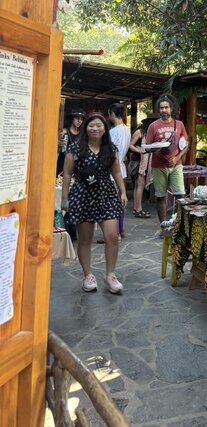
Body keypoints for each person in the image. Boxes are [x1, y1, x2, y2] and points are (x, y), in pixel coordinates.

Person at [61, 112, 128, 294]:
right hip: (83, 195)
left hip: (106, 195)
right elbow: (67, 174)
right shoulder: (75, 148)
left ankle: (110, 275)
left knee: (112, 236)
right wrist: (65, 199)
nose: (95, 128)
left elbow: (116, 172)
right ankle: (88, 275)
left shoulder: (110, 148)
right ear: (86, 128)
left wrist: (123, 191)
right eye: (91, 125)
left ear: (105, 128)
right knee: (85, 239)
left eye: (99, 125)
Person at [145, 95, 189, 227]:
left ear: (171, 109)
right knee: (160, 197)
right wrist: (156, 148)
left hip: (176, 165)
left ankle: (180, 226)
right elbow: (147, 147)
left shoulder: (179, 124)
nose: (164, 110)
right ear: (158, 110)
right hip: (158, 166)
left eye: (166, 107)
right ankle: (163, 226)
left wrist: (177, 158)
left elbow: (186, 145)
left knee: (180, 196)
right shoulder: (153, 126)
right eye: (161, 108)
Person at [108, 103, 131, 238]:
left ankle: (114, 232)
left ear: (112, 114)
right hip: (122, 168)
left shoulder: (113, 132)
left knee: (111, 202)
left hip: (112, 170)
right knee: (120, 201)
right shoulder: (127, 130)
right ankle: (120, 229)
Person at [128, 117, 156, 218]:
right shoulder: (140, 132)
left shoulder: (150, 133)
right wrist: (139, 150)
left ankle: (136, 208)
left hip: (142, 162)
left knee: (138, 185)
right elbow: (130, 145)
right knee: (140, 185)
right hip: (138, 162)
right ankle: (139, 210)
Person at [57, 109, 85, 175]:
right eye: (77, 118)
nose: (79, 121)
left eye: (81, 119)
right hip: (63, 161)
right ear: (72, 118)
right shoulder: (64, 132)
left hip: (76, 163)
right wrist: (58, 143)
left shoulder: (82, 134)